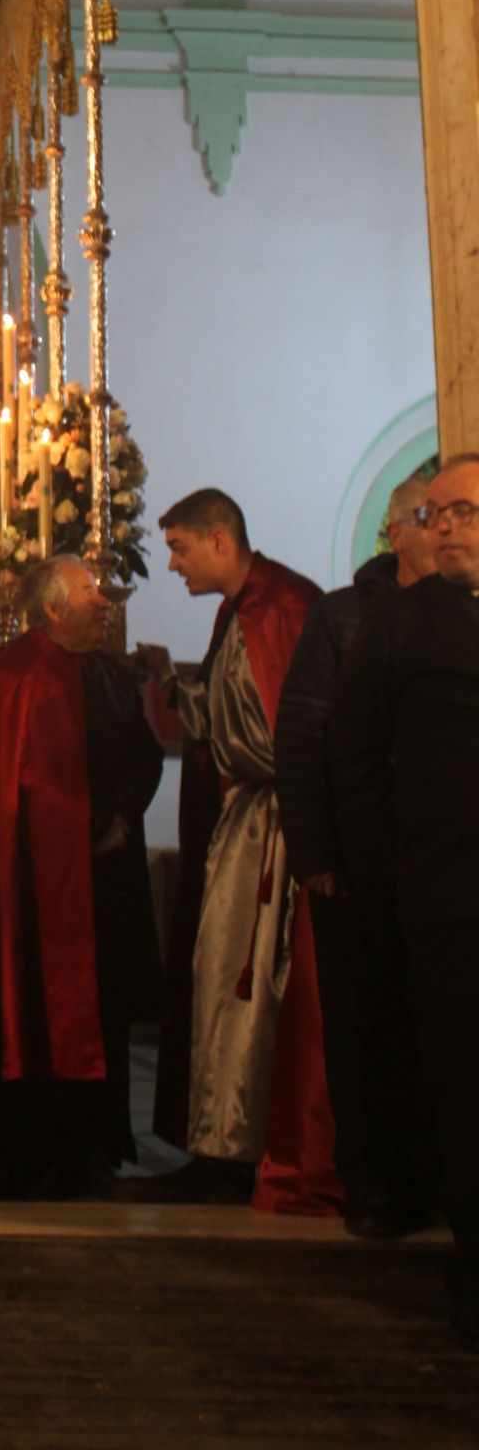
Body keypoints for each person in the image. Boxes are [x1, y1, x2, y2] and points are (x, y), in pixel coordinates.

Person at [137, 488, 335, 1212]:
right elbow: (226, 722)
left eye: (181, 548)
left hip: (273, 831)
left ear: (220, 540)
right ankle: (219, 1143)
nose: (174, 564)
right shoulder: (236, 612)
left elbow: (285, 736)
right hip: (246, 822)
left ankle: (237, 1150)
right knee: (219, 977)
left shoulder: (279, 610)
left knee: (245, 985)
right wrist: (166, 681)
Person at [333, 455, 479, 1347]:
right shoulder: (397, 627)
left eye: (465, 511)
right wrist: (395, 861)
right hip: (447, 894)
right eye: (437, 513)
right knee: (462, 1089)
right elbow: (352, 755)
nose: (448, 526)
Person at [275, 476, 437, 1235]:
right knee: (364, 1030)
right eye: (429, 518)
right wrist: (315, 852)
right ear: (395, 532)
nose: (443, 533)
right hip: (358, 866)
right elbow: (303, 736)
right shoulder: (343, 617)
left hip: (441, 863)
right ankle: (372, 1185)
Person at [0, 555, 163, 1195]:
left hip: (102, 877)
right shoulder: (14, 675)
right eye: (89, 592)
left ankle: (98, 1146)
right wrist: (83, 826)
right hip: (37, 883)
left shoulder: (106, 675)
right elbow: (15, 780)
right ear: (53, 608)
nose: (104, 602)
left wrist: (116, 816)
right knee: (36, 1003)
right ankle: (41, 1154)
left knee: (103, 1004)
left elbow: (141, 755)